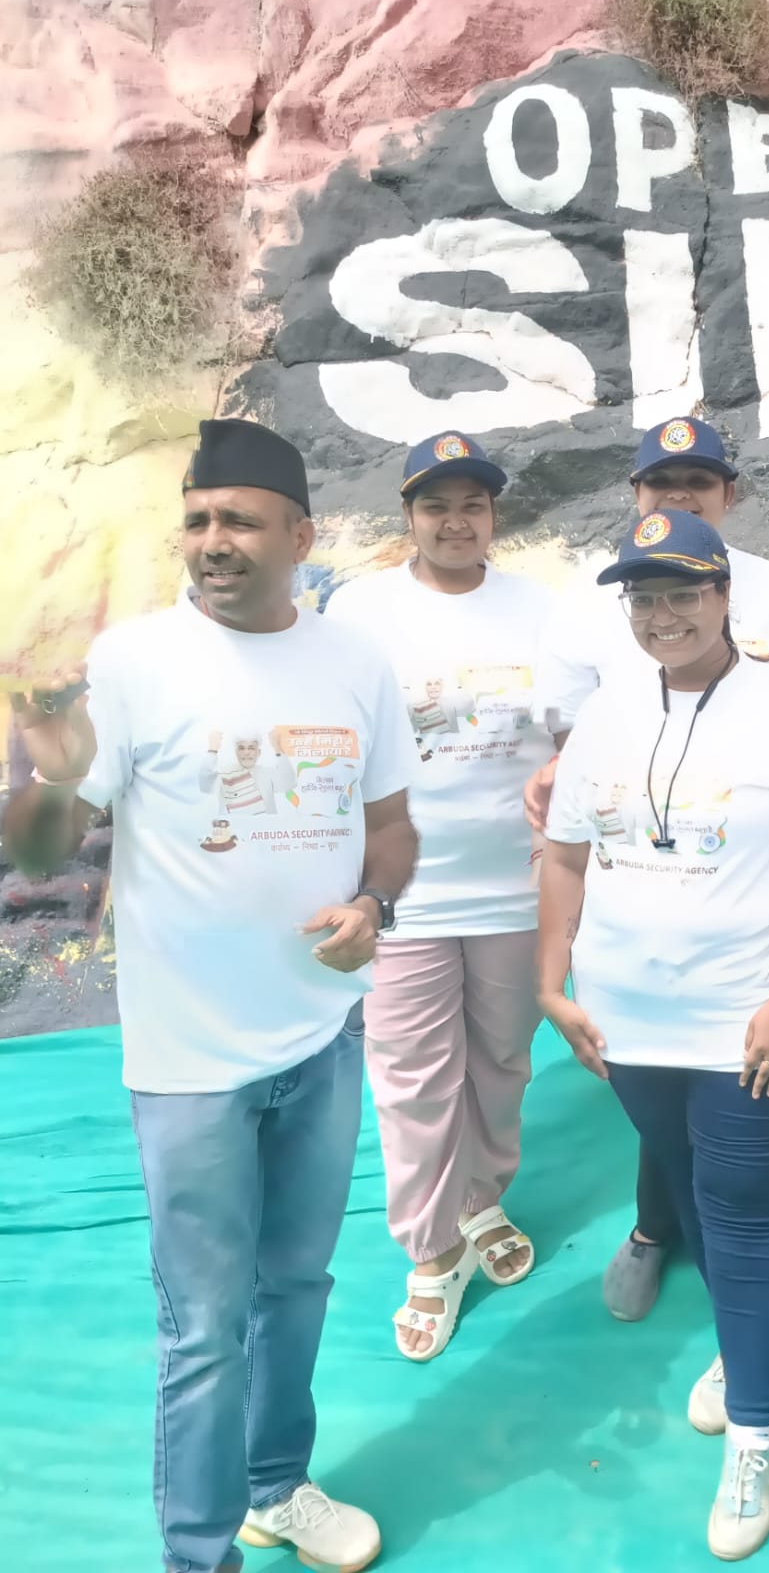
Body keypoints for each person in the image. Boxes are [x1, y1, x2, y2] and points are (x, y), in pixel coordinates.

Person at [1, 418, 419, 1573]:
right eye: (195, 520)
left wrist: (374, 905)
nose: (212, 540)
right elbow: (38, 849)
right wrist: (51, 769)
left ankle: (277, 1485)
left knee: (299, 1284)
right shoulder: (135, 663)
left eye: (238, 519)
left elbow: (390, 825)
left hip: (321, 1040)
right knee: (202, 1329)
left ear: (302, 536)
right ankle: (198, 1554)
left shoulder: (355, 661)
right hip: (189, 1064)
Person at [538, 508, 769, 1560]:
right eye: (644, 597)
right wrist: (550, 982)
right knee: (688, 1189)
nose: (663, 615)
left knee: (743, 1212)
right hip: (626, 1020)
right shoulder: (606, 714)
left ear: (725, 597)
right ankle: (745, 1338)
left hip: (745, 1018)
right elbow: (567, 856)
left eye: (683, 593)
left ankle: (755, 1432)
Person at [531, 417, 769, 1323]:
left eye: (697, 481)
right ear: (633, 493)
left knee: (755, 1135)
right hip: (635, 936)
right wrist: (552, 976)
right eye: (659, 482)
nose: (664, 615)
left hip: (747, 941)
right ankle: (659, 1226)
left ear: (727, 496)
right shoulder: (586, 613)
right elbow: (571, 777)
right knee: (676, 1137)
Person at [324, 432, 557, 1360]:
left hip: (514, 887)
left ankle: (482, 1198)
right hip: (405, 891)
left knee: (501, 1060)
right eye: (436, 506)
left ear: (493, 515)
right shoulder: (361, 610)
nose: (455, 522)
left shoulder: (542, 611)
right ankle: (433, 1250)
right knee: (413, 1076)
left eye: (473, 505)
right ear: (408, 516)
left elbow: (574, 732)